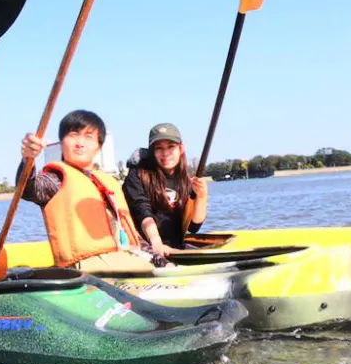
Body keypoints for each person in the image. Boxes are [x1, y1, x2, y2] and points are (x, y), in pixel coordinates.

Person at [17, 109, 156, 273]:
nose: (80, 143)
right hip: (84, 270)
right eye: (73, 135)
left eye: (88, 137)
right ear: (61, 143)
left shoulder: (108, 183)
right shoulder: (55, 180)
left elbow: (132, 237)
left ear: (99, 146)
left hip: (123, 260)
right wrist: (28, 159)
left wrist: (161, 260)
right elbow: (27, 187)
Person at [122, 122, 210, 255]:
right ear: (152, 152)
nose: (165, 153)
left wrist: (202, 197)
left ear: (181, 148)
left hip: (175, 248)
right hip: (145, 247)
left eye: (171, 147)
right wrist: (156, 243)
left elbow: (193, 227)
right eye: (159, 148)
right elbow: (142, 211)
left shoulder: (185, 180)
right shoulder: (137, 175)